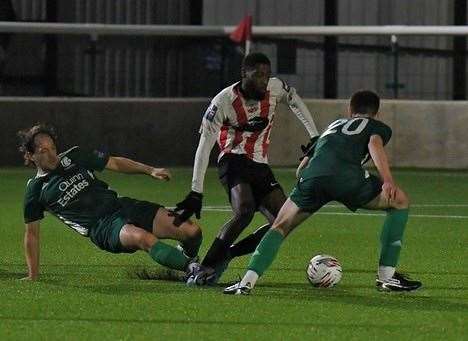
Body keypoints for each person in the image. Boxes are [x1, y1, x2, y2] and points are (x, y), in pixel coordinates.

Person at [224, 90, 422, 294]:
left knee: (280, 226)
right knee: (400, 201)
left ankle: (247, 282)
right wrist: (387, 180)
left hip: (312, 178)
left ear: (350, 109)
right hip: (347, 178)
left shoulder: (332, 127)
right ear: (376, 113)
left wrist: (307, 186)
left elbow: (300, 169)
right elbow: (374, 144)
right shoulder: (376, 127)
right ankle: (387, 277)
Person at [175, 52, 319, 285]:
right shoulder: (222, 102)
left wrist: (314, 136)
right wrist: (195, 191)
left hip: (260, 164)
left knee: (285, 221)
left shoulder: (275, 88)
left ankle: (228, 254)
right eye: (258, 75)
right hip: (232, 161)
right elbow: (204, 148)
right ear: (244, 74)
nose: (264, 80)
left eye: (267, 75)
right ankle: (205, 267)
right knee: (244, 211)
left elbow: (294, 99)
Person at [19, 124, 202, 280]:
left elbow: (113, 162)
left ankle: (186, 258)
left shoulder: (75, 156)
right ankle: (194, 271)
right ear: (30, 155)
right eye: (43, 151)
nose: (52, 155)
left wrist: (150, 170)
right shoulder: (35, 190)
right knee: (143, 238)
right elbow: (32, 234)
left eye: (53, 148)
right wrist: (33, 274)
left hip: (122, 206)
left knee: (192, 232)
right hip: (102, 227)